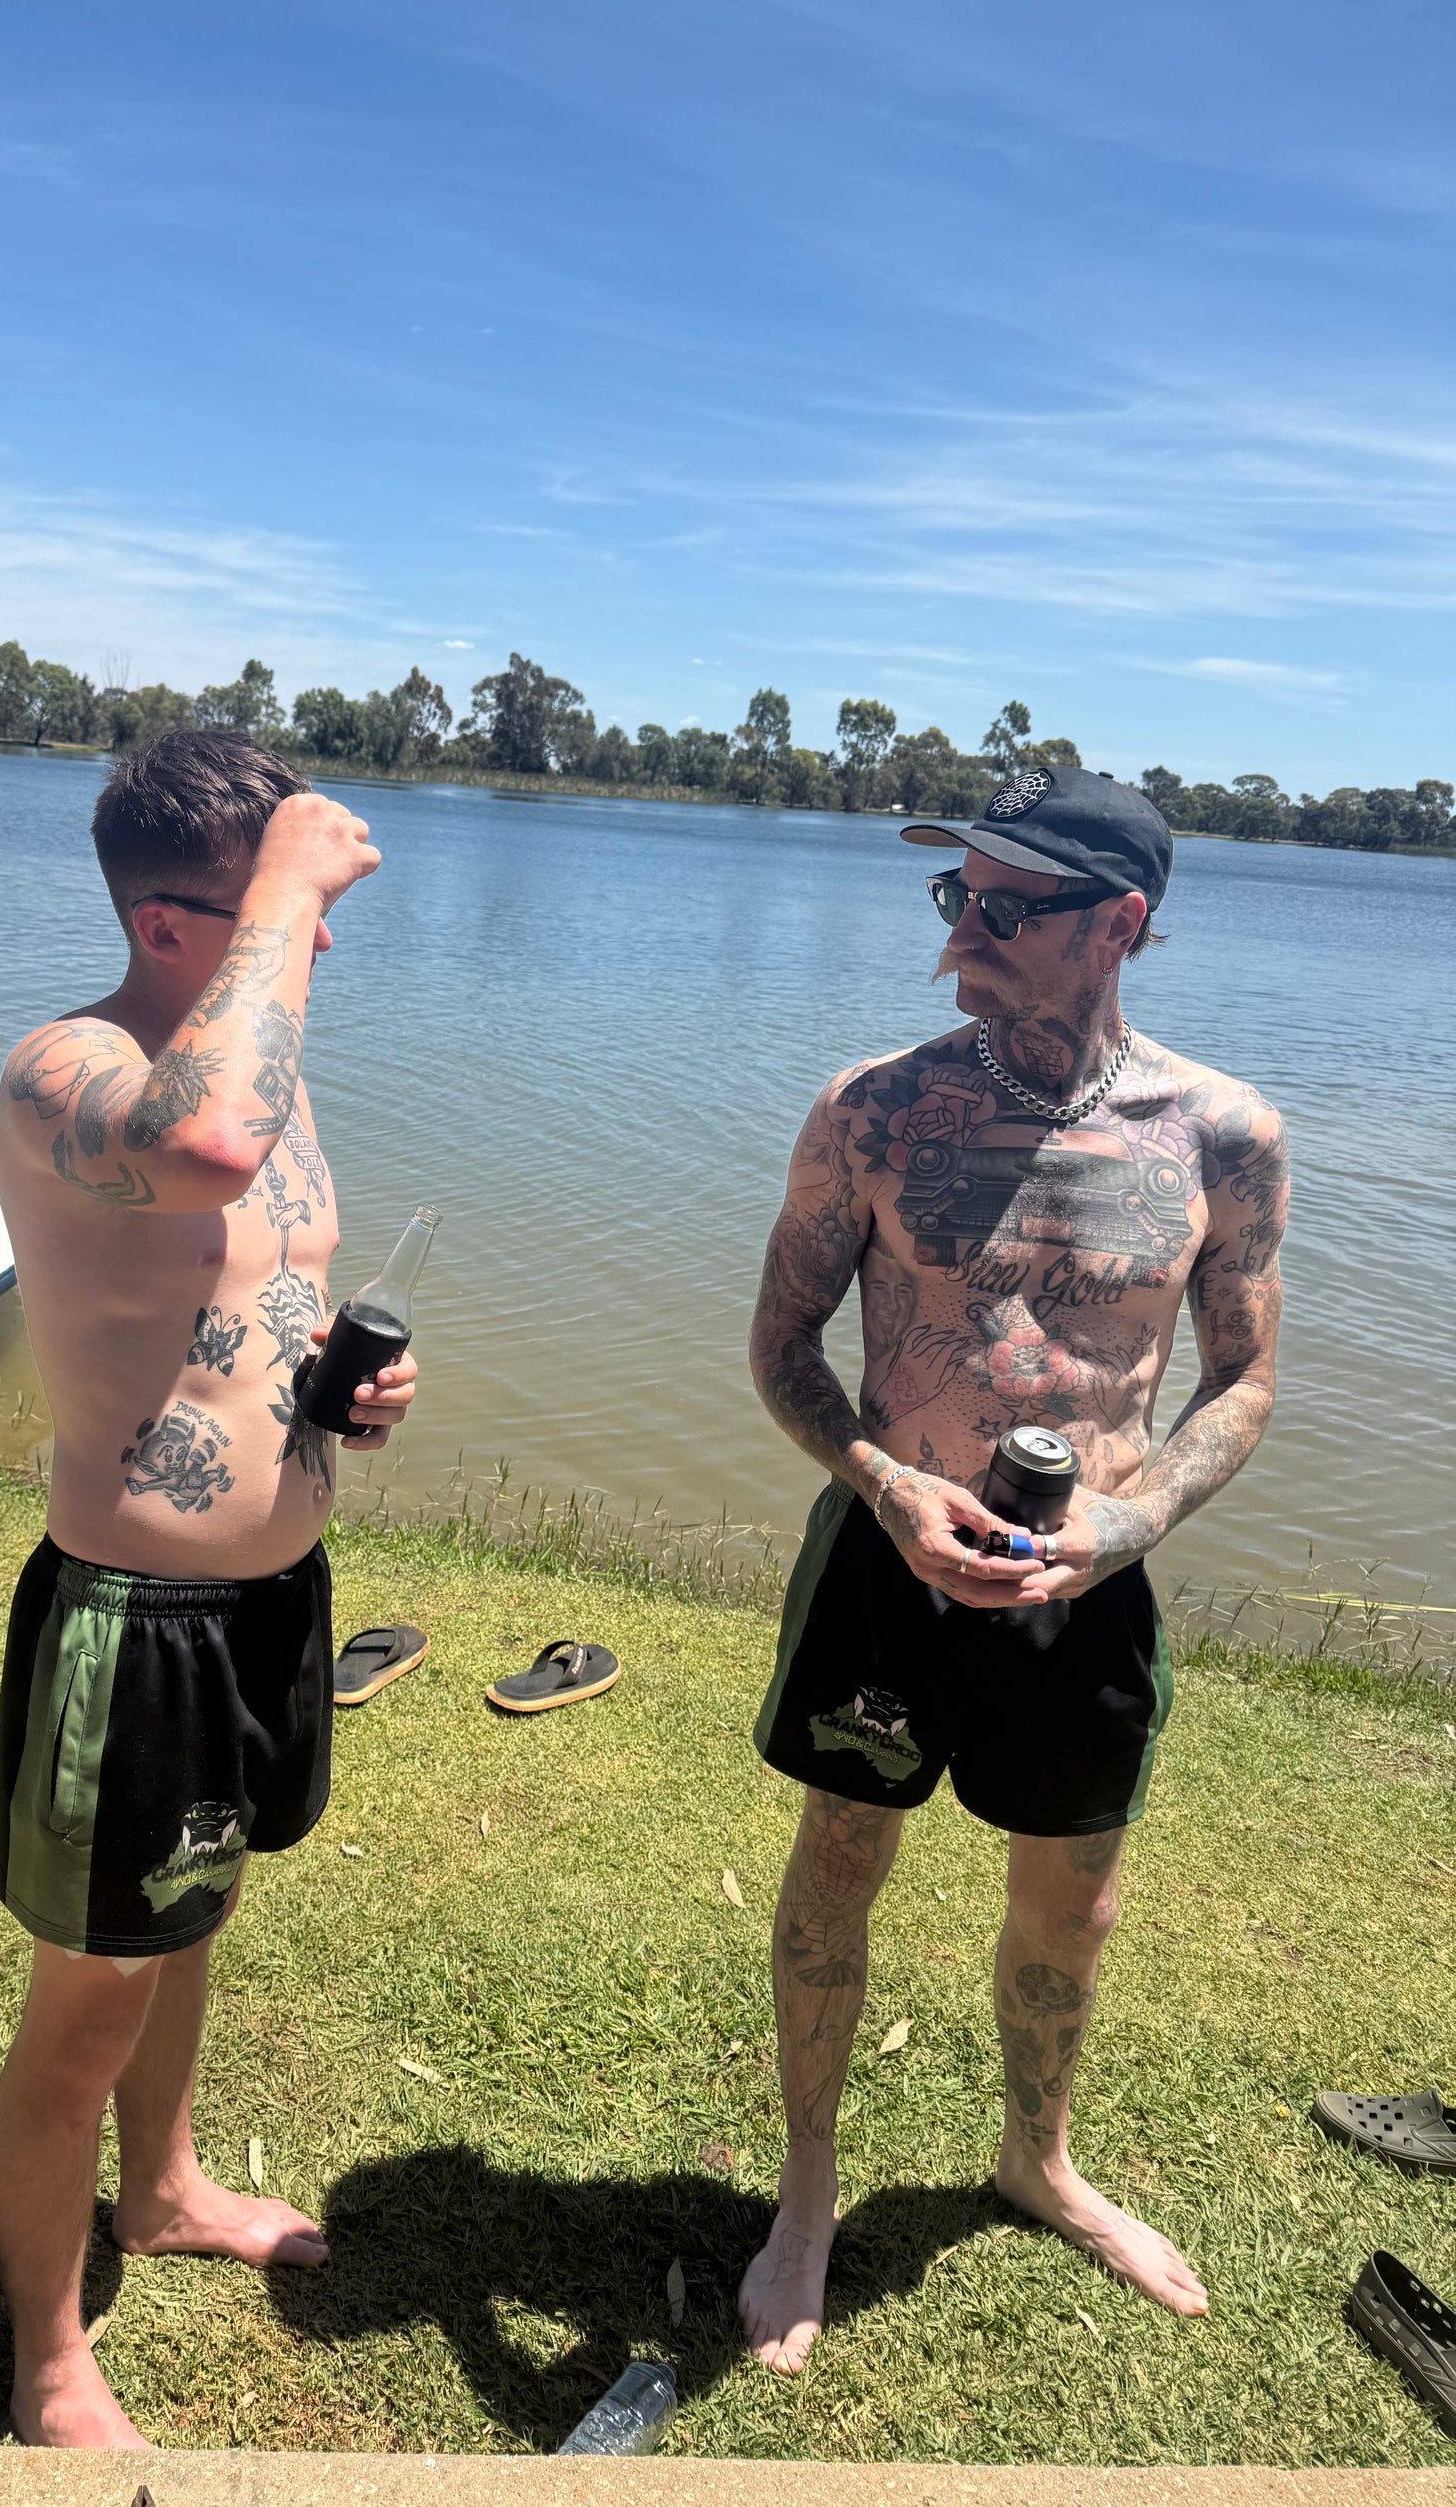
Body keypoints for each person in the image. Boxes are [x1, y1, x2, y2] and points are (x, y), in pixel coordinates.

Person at [738, 766, 1288, 2372]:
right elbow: (782, 1344)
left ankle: (1034, 2160)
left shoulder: (1223, 1137)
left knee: (1076, 1902)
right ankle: (805, 2186)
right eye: (953, 898)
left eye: (1001, 909)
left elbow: (1242, 1381)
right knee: (841, 1855)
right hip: (886, 1560)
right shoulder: (870, 1110)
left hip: (1082, 1581)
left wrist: (1127, 1525)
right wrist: (885, 1484)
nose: (954, 938)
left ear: (1119, 922)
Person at [0, 730, 418, 2447]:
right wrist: (292, 876)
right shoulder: (66, 1070)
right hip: (134, 1622)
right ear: (168, 925)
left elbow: (250, 1294)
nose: (320, 940)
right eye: (285, 912)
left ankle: (159, 2190)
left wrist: (344, 1392)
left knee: (198, 1911)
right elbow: (206, 1151)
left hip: (271, 1603)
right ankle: (45, 2367)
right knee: (90, 1997)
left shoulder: (266, 1069)